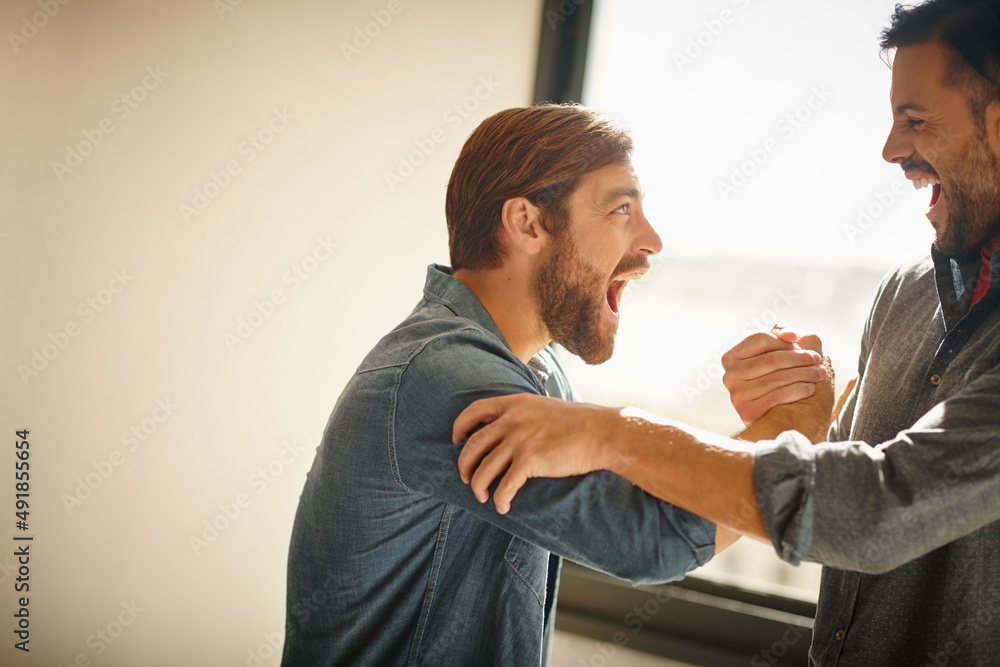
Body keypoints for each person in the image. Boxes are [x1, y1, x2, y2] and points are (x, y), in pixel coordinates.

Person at [454, 1, 1000, 664]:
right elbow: (831, 475)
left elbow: (874, 510)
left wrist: (609, 431)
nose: (891, 150)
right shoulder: (907, 292)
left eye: (914, 120)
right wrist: (798, 413)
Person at [280, 104, 831, 666]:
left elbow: (649, 492)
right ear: (527, 222)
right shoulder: (442, 377)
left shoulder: (541, 374)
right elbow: (654, 534)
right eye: (621, 208)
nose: (652, 241)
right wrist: (796, 422)